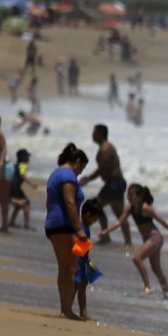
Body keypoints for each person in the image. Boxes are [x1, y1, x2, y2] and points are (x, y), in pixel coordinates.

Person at [100, 184, 168, 299]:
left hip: (155, 237)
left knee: (137, 258)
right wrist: (106, 231)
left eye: (131, 195)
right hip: (148, 239)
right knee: (156, 268)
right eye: (127, 195)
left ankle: (148, 287)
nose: (129, 197)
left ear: (140, 196)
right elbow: (120, 222)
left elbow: (161, 220)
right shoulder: (130, 208)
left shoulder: (145, 208)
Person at [45, 143, 90, 320]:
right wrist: (79, 228)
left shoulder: (58, 173)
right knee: (68, 268)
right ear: (78, 161)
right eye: (82, 168)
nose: (80, 173)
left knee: (69, 267)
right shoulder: (67, 175)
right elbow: (69, 202)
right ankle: (66, 310)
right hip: (63, 225)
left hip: (57, 224)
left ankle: (66, 309)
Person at [80, 124, 131, 249]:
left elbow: (103, 169)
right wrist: (88, 178)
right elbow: (103, 169)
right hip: (114, 183)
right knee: (115, 213)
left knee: (96, 207)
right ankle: (125, 242)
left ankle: (123, 242)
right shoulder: (104, 148)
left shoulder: (105, 149)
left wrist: (88, 179)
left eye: (94, 133)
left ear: (101, 134)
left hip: (115, 184)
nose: (92, 135)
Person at [75, 199, 106, 321]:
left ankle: (83, 312)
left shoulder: (83, 227)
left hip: (83, 260)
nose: (96, 221)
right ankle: (74, 310)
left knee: (82, 286)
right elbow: (78, 249)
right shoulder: (84, 229)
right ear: (88, 215)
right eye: (95, 219)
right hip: (79, 261)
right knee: (78, 286)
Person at [8, 148, 38, 229]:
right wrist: (32, 184)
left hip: (11, 187)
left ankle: (11, 221)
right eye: (27, 156)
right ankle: (26, 225)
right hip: (15, 188)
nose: (28, 158)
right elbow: (22, 176)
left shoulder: (16, 165)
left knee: (18, 206)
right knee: (26, 203)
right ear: (22, 157)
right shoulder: (23, 165)